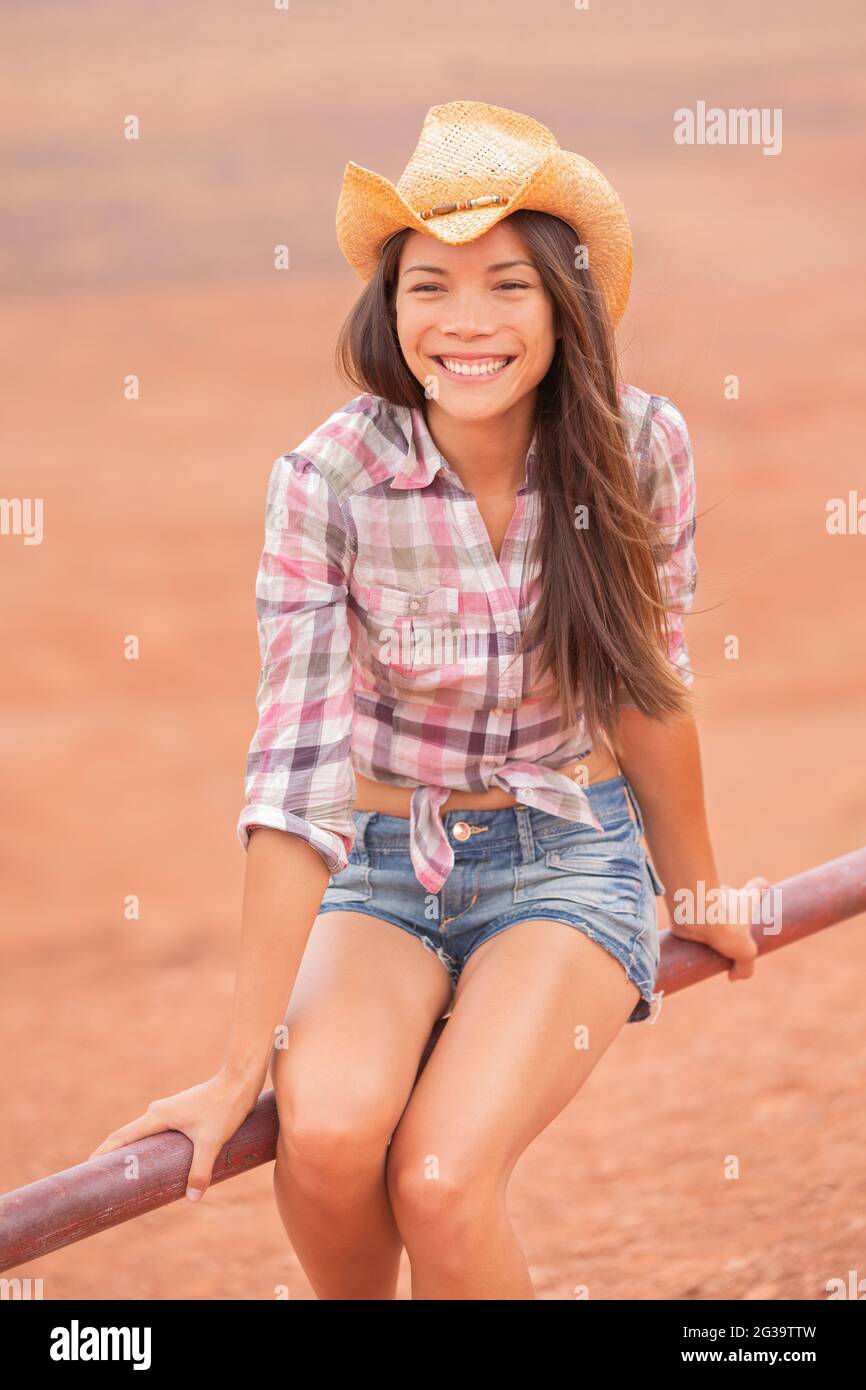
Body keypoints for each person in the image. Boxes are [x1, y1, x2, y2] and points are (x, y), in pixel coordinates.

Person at [90, 101, 767, 1299]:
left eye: (505, 284)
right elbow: (297, 775)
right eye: (427, 287)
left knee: (443, 1179)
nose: (464, 323)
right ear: (386, 308)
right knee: (333, 1137)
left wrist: (699, 885)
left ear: (565, 303)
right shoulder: (327, 479)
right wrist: (241, 1061)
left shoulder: (637, 442)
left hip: (567, 853)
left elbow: (645, 682)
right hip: (384, 865)